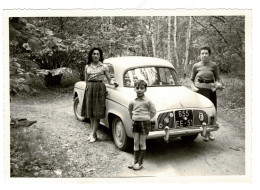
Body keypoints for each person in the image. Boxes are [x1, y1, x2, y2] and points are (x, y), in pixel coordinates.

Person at [190, 46, 224, 141]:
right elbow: (191, 80)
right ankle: (204, 132)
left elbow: (217, 79)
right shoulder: (196, 66)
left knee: (211, 111)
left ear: (209, 55)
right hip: (199, 91)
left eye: (206, 53)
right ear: (199, 55)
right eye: (202, 53)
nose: (204, 55)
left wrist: (218, 84)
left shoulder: (214, 65)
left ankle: (209, 131)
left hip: (210, 91)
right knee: (201, 111)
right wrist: (193, 87)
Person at [85, 47, 113, 143]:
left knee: (96, 113)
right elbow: (86, 80)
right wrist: (87, 88)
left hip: (99, 89)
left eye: (97, 54)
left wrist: (114, 83)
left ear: (100, 56)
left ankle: (93, 134)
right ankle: (93, 133)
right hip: (90, 88)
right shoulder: (87, 66)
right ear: (91, 55)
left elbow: (110, 79)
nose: (96, 55)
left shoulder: (104, 67)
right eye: (94, 54)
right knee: (91, 113)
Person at [128, 80, 156, 170]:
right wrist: (133, 118)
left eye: (141, 88)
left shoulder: (148, 101)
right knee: (135, 142)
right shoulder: (132, 101)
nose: (139, 90)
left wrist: (147, 118)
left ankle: (140, 163)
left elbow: (153, 111)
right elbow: (130, 110)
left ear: (145, 90)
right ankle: (135, 161)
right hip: (135, 122)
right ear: (134, 89)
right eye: (137, 88)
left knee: (141, 143)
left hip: (144, 123)